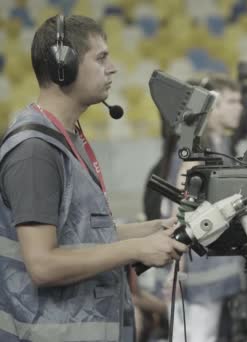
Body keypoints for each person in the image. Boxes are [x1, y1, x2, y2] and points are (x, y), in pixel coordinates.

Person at [0, 14, 187, 342]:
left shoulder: (65, 138)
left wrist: (149, 230)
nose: (112, 67)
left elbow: (79, 235)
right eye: (100, 57)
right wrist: (134, 249)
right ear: (64, 67)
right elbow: (43, 264)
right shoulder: (35, 151)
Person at [165, 74, 245, 342]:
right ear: (212, 108)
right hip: (196, 273)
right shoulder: (196, 147)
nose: (240, 107)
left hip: (214, 270)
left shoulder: (224, 144)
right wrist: (175, 269)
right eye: (232, 101)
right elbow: (180, 205)